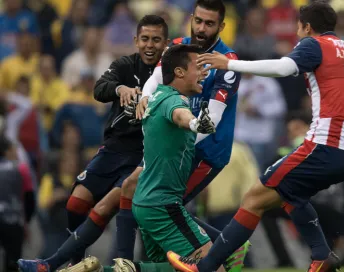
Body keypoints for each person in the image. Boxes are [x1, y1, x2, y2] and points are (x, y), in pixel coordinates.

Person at [167, 2, 344, 272]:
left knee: (255, 197)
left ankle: (206, 267)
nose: (297, 31)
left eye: (298, 25)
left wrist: (230, 64)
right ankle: (321, 254)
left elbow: (284, 68)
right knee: (289, 194)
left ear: (307, 27)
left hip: (324, 144)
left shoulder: (315, 44)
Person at [17, 15, 169, 272]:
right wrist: (120, 89)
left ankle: (121, 262)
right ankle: (78, 261)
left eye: (156, 39)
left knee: (116, 204)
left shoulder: (168, 74)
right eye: (145, 39)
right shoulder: (124, 64)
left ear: (165, 43)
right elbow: (99, 89)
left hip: (143, 156)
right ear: (136, 40)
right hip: (112, 150)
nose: (149, 45)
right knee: (75, 203)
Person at [113, 1, 248, 271]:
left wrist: (170, 142)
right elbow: (156, 80)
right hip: (178, 143)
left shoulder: (227, 62)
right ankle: (126, 261)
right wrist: (146, 98)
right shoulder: (178, 50)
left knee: (161, 205)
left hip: (205, 151)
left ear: (221, 26)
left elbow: (211, 120)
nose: (201, 28)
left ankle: (130, 263)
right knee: (141, 193)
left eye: (209, 23)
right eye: (198, 20)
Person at [133, 43, 224, 271]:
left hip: (147, 201)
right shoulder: (173, 100)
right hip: (163, 204)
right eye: (198, 66)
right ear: (179, 72)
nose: (204, 72)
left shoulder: (157, 97)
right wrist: (195, 122)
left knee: (161, 268)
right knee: (213, 267)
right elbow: (180, 116)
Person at [0, 135, 35, 272]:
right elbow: (29, 198)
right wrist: (26, 220)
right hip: (13, 221)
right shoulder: (21, 169)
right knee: (13, 261)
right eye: (14, 149)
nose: (16, 153)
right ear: (7, 151)